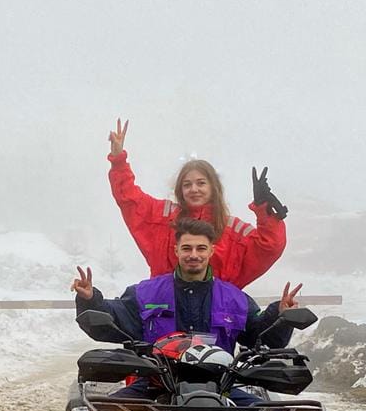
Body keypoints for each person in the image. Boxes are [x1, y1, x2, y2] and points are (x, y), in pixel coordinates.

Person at [70, 220, 303, 402]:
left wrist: (280, 315)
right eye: (187, 248)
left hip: (221, 389)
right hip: (155, 385)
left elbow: (260, 338)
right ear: (176, 250)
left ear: (211, 250)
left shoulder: (235, 299)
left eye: (201, 248)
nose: (194, 255)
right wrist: (90, 300)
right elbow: (111, 318)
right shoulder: (145, 293)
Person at [106, 118, 287, 289]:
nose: (194, 189)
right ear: (180, 189)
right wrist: (118, 160)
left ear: (213, 187)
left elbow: (269, 247)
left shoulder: (233, 229)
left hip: (216, 309)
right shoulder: (163, 217)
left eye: (201, 183)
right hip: (167, 307)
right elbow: (129, 199)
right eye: (187, 184)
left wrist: (265, 212)